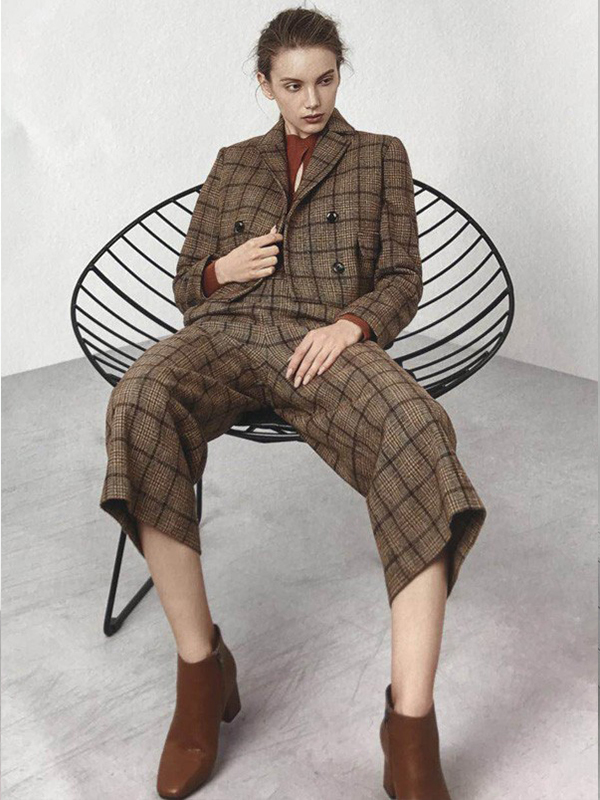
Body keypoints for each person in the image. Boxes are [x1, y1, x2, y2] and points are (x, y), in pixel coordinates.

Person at [99, 7, 487, 799]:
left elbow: (403, 278)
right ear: (265, 84)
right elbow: (186, 286)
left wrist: (352, 326)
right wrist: (223, 270)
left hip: (323, 345)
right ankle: (202, 671)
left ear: (340, 75)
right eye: (293, 85)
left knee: (418, 431)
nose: (312, 101)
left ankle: (410, 725)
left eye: (326, 81)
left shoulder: (379, 155)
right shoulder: (233, 162)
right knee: (140, 399)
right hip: (228, 333)